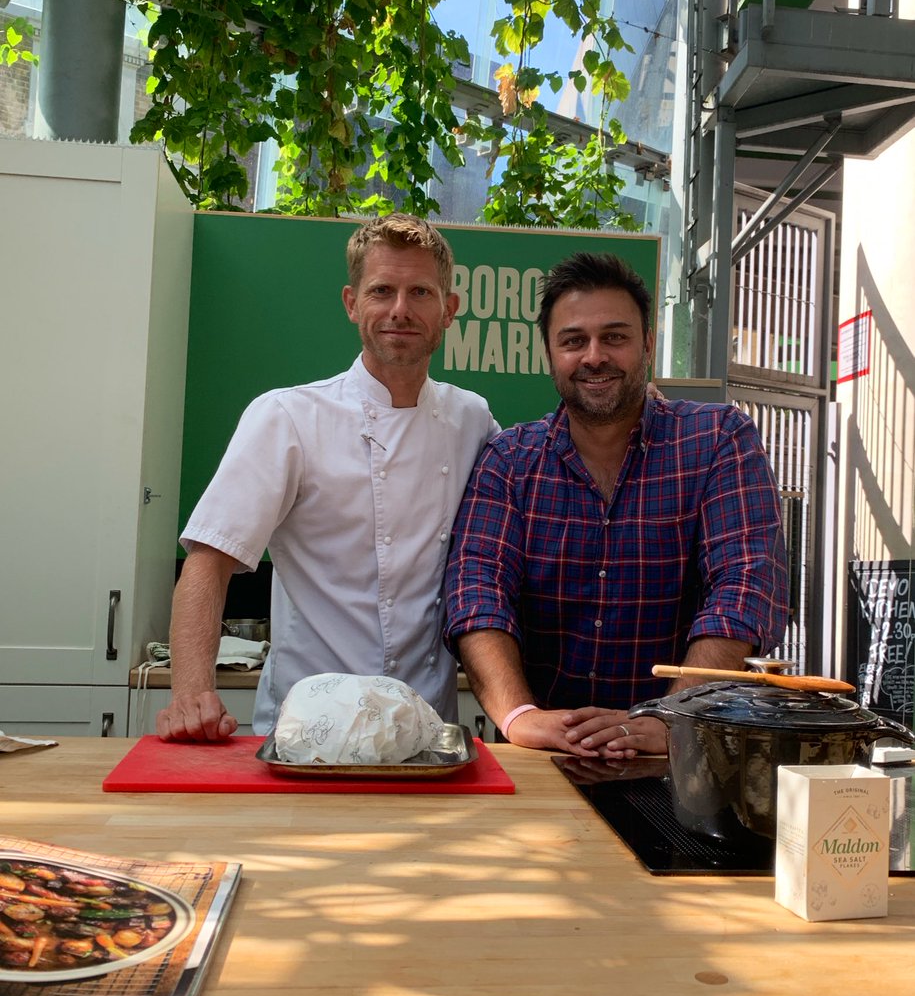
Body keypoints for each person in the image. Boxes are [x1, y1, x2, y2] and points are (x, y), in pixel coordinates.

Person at [157, 214, 500, 742]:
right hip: (307, 730)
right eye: (381, 291)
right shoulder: (288, 417)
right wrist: (190, 693)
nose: (400, 310)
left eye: (420, 292)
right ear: (351, 303)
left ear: (449, 309)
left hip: (426, 731)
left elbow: (521, 513)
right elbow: (208, 561)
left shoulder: (471, 418)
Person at [444, 251, 788, 760]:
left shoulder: (718, 439)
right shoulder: (509, 461)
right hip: (545, 755)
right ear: (549, 353)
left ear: (647, 343)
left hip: (687, 759)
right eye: (573, 341)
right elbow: (477, 591)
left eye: (614, 337)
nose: (594, 356)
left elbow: (745, 587)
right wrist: (521, 716)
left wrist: (673, 721)